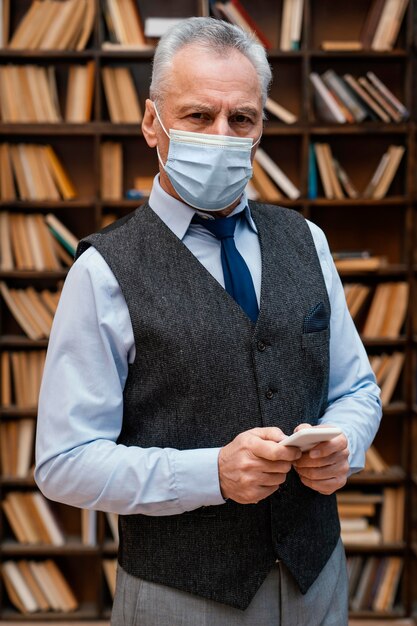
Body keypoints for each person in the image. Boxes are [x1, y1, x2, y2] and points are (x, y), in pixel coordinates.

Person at [35, 16, 382, 626]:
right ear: (152, 123)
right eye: (198, 116)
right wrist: (211, 474)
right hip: (180, 597)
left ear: (259, 129)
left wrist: (346, 444)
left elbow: (356, 388)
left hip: (317, 580)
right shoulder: (102, 272)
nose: (222, 135)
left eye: (241, 119)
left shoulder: (308, 241)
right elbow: (65, 462)